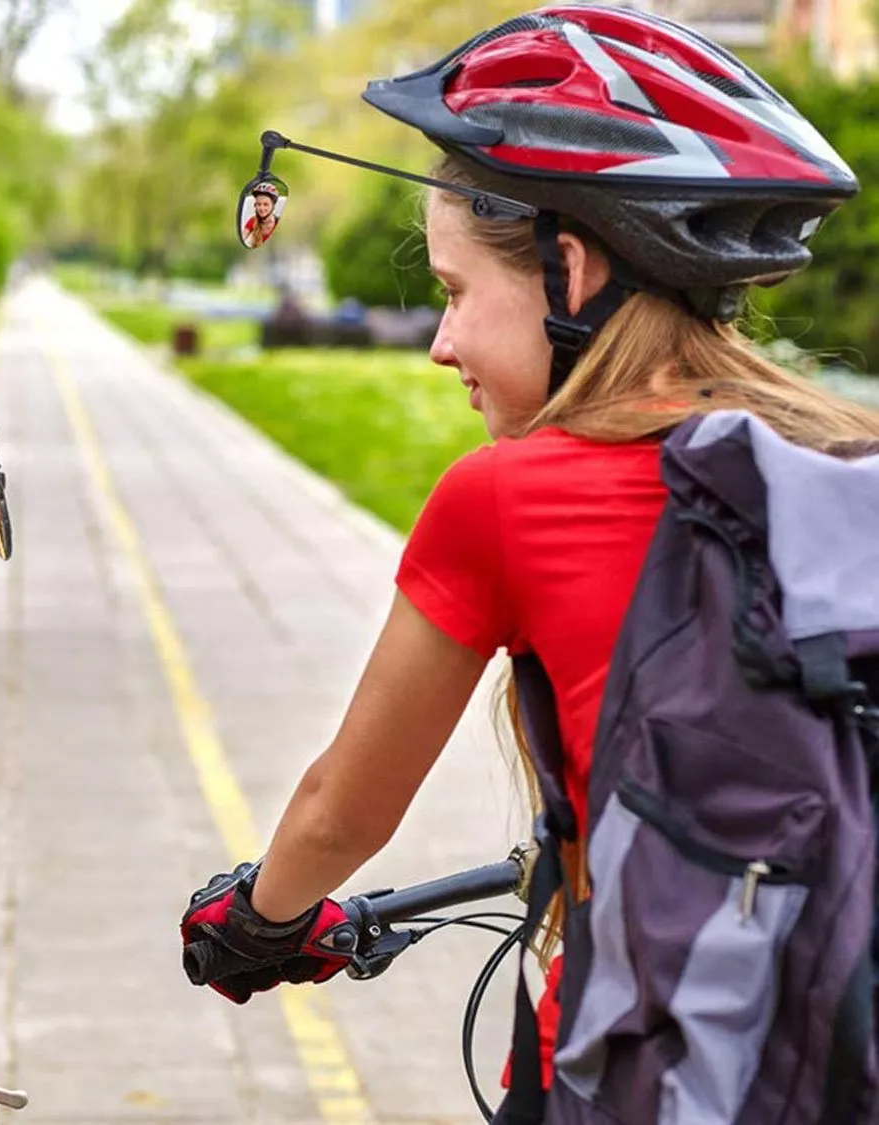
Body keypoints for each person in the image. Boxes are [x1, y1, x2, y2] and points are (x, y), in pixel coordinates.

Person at [181, 0, 879, 1086]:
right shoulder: (852, 463)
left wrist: (253, 922)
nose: (442, 344)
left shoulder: (507, 499)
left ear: (573, 269)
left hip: (635, 1075)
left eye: (458, 294)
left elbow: (343, 809)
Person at [242, 183, 280, 248]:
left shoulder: (277, 222)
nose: (261, 208)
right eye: (258, 204)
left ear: (273, 206)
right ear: (255, 205)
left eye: (266, 204)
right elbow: (242, 239)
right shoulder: (252, 221)